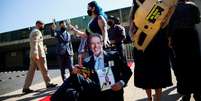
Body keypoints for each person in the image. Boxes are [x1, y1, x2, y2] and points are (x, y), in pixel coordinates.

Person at [51, 34, 132, 101]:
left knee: (75, 81)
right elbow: (89, 77)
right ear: (90, 46)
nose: (95, 46)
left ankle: (55, 98)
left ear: (102, 43)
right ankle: (55, 98)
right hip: (95, 92)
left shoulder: (114, 55)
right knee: (75, 76)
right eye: (92, 43)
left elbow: (128, 72)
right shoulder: (87, 61)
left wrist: (121, 83)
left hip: (112, 91)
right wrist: (75, 72)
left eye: (98, 43)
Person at [129, 0, 173, 100]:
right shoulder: (140, 4)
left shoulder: (157, 3)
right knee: (152, 74)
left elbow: (166, 22)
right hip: (149, 43)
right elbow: (131, 23)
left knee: (153, 73)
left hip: (152, 43)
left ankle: (153, 98)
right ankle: (153, 98)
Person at [168, 0, 201, 100]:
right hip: (191, 36)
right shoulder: (192, 6)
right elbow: (197, 20)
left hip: (178, 39)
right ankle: (198, 93)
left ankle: (186, 94)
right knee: (195, 65)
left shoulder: (172, 9)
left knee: (182, 66)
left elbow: (169, 25)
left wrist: (169, 39)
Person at [70, 1, 110, 65]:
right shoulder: (90, 22)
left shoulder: (99, 17)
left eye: (88, 8)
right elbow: (85, 35)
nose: (87, 10)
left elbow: (104, 30)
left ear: (93, 8)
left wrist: (104, 41)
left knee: (103, 67)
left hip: (100, 47)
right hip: (92, 48)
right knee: (96, 67)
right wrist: (74, 30)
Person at [22, 20, 57, 94]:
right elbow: (35, 43)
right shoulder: (37, 31)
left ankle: (26, 87)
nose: (43, 27)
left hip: (34, 55)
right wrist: (36, 54)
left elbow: (36, 43)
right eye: (43, 25)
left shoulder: (33, 31)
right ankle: (48, 83)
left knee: (31, 72)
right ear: (38, 24)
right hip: (38, 55)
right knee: (44, 69)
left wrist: (43, 48)